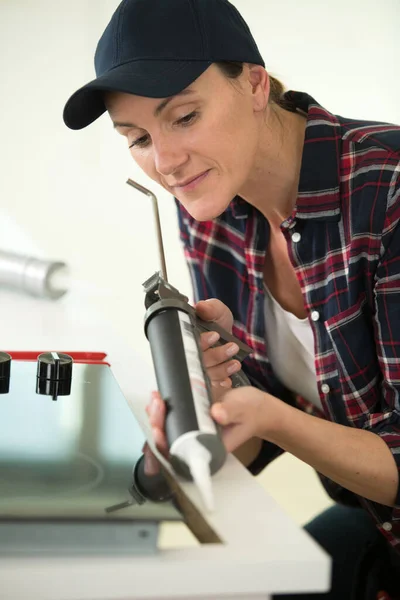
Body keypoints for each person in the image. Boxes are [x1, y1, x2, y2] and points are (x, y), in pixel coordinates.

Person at [63, 0, 400, 598]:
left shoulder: (390, 190)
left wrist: (270, 418)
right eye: (137, 137)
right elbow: (256, 426)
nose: (165, 162)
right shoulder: (207, 205)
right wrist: (208, 421)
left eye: (185, 117)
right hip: (375, 520)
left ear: (253, 82)